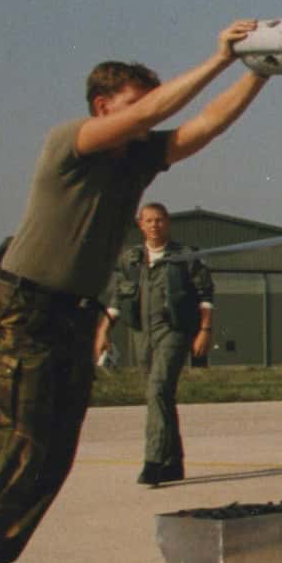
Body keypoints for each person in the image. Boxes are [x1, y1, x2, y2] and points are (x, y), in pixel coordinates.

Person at [0, 21, 269, 563]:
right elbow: (163, 114)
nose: (146, 115)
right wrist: (221, 56)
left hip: (70, 315)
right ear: (102, 106)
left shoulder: (135, 160)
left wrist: (259, 73)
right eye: (135, 104)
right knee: (12, 451)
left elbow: (204, 126)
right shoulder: (71, 142)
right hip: (21, 312)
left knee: (52, 456)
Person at [95, 204, 214, 486]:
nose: (154, 225)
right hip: (141, 334)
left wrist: (205, 330)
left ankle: (153, 462)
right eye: (148, 221)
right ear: (140, 225)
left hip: (174, 331)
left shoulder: (186, 256)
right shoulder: (131, 259)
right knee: (159, 396)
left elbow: (206, 295)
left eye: (159, 220)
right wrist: (103, 331)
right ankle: (173, 463)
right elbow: (116, 299)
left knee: (157, 388)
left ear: (167, 223)